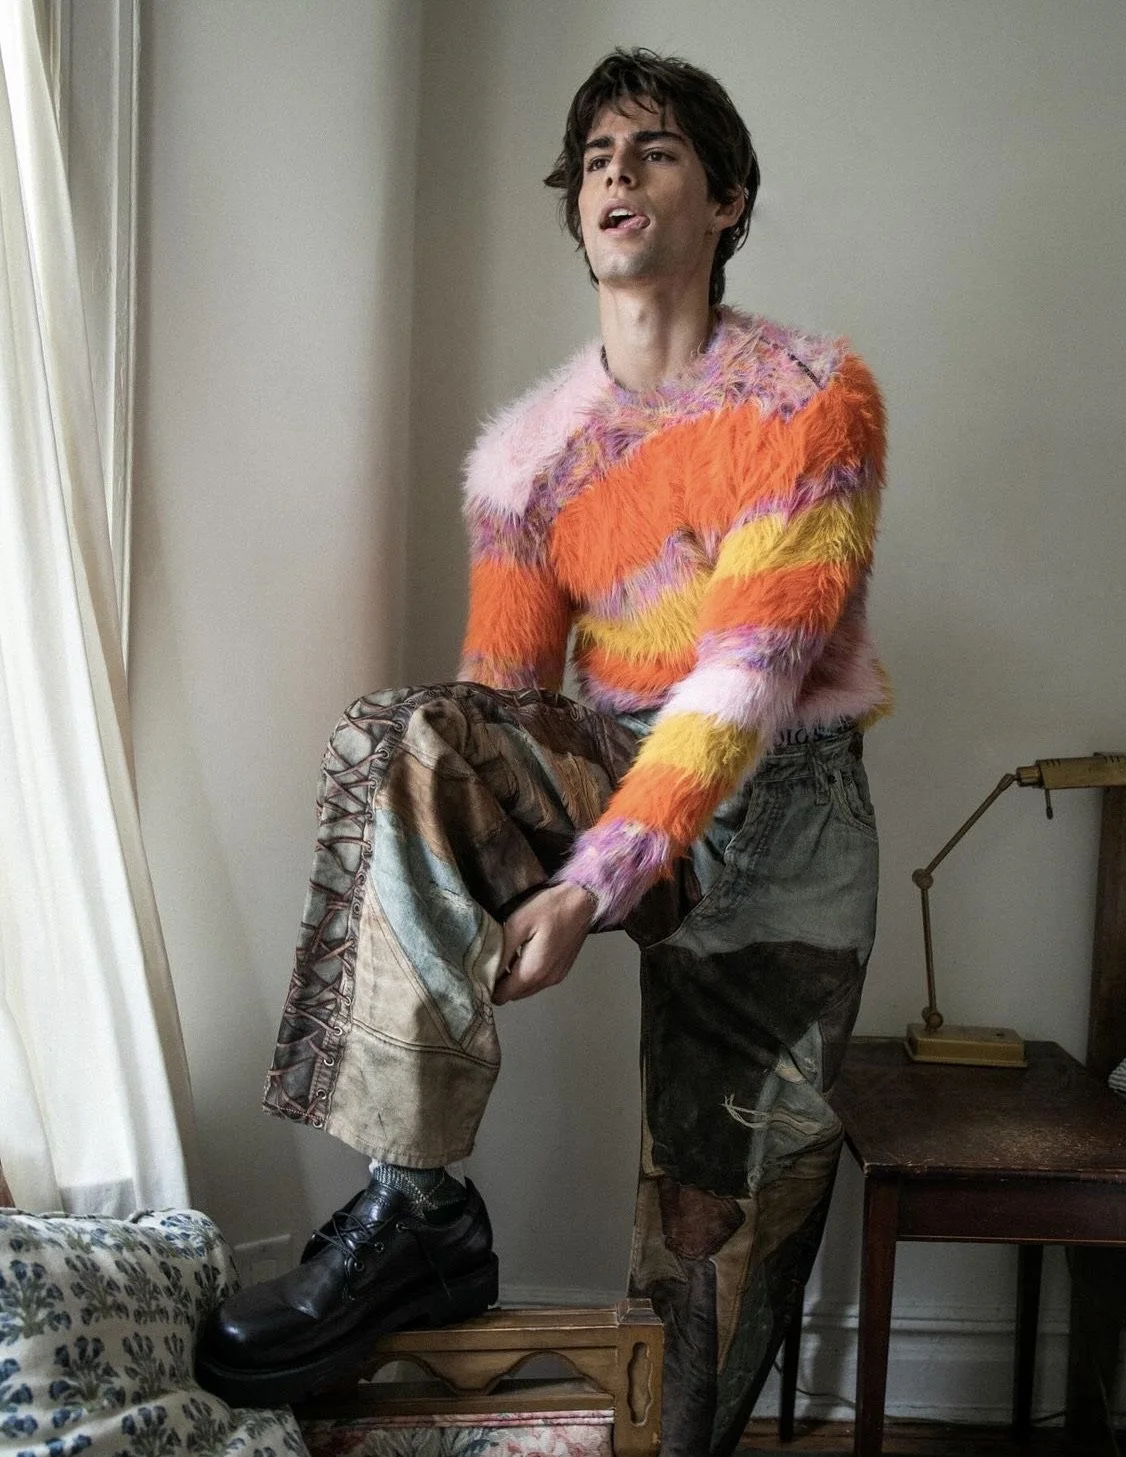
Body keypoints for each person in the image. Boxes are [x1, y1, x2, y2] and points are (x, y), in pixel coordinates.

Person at [196, 47, 887, 1457]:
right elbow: (496, 702)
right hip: (610, 759)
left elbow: (748, 676)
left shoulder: (809, 396)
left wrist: (591, 885)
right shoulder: (525, 460)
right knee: (408, 734)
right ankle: (419, 1204)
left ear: (728, 198)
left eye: (655, 151)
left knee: (713, 1261)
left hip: (782, 812)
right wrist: (481, 866)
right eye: (594, 161)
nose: (616, 176)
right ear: (574, 213)